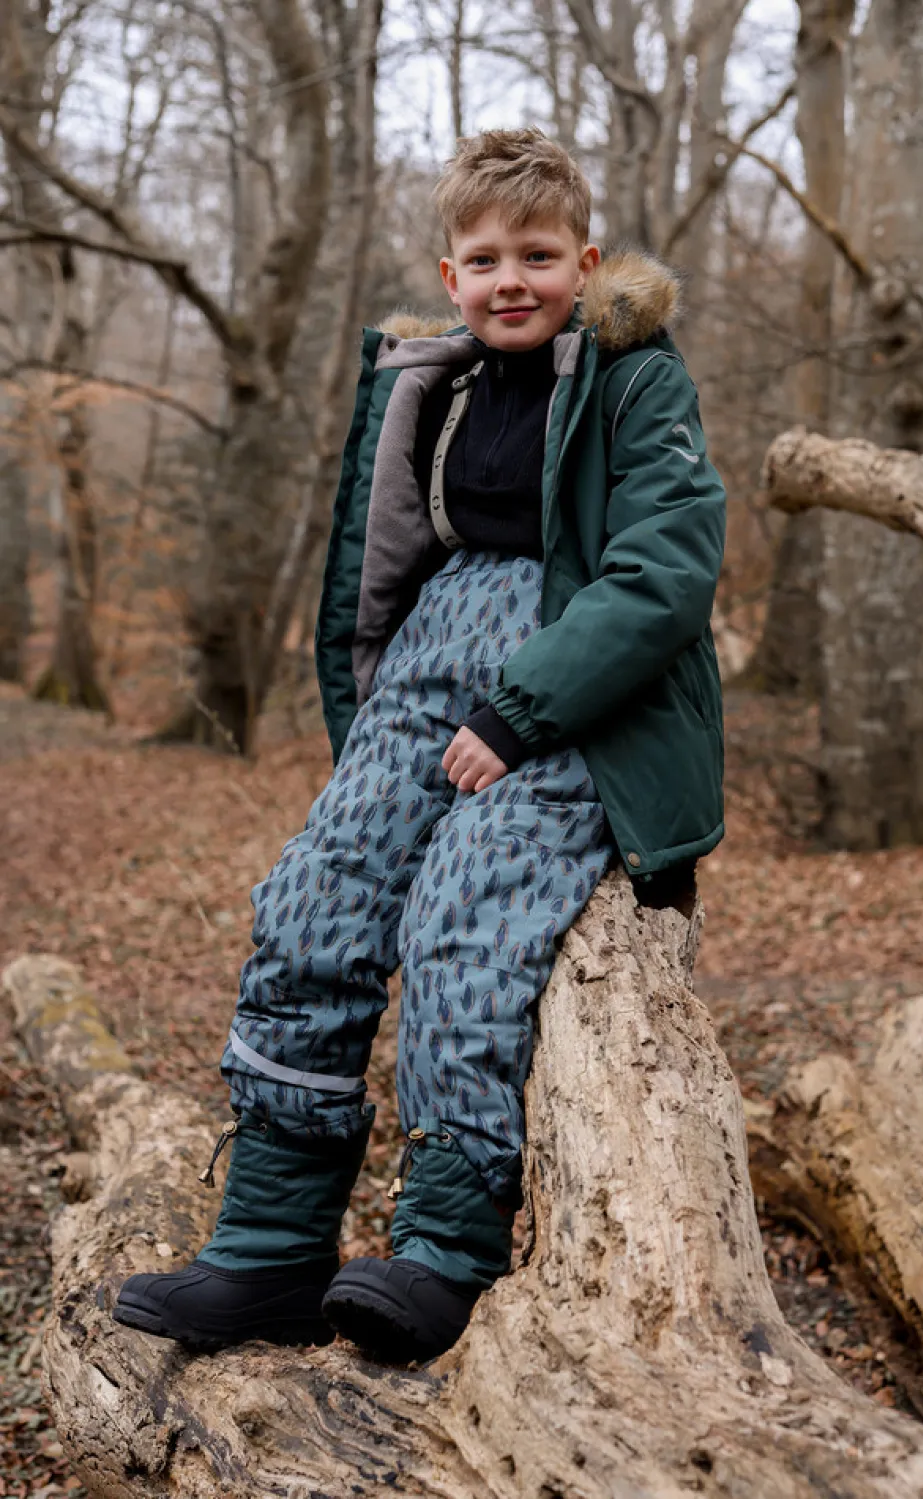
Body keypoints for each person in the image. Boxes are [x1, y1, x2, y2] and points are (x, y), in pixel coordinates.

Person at [112, 127, 726, 1364]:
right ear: (451, 275)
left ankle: (446, 1248)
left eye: (538, 255)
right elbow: (377, 562)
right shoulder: (426, 381)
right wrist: (376, 727)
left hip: (570, 687)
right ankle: (270, 1248)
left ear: (584, 262)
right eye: (484, 258)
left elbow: (664, 570)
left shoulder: (631, 379)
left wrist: (519, 711)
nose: (511, 280)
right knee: (313, 901)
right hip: (421, 673)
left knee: (465, 914)